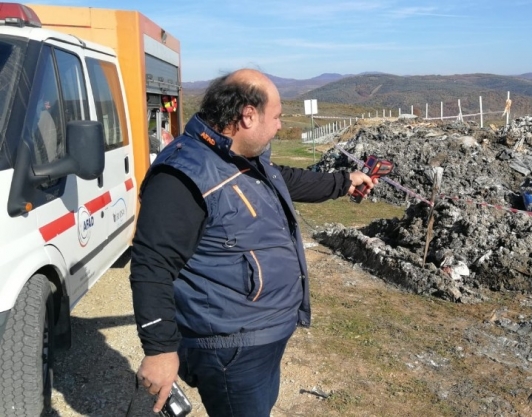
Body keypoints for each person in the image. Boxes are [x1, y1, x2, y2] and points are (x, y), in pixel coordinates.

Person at [130, 68, 376, 416]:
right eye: (275, 117)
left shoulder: (239, 156)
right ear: (247, 115)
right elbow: (151, 264)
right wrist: (159, 351)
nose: (279, 125)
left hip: (261, 337)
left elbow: (283, 179)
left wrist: (342, 182)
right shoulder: (182, 176)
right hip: (231, 348)